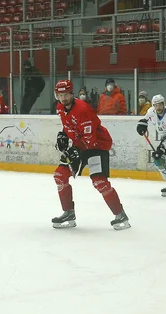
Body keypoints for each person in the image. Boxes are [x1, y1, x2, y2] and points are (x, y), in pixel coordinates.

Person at [52, 79, 129, 230]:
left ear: (72, 93)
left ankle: (120, 215)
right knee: (60, 176)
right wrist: (63, 135)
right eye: (60, 95)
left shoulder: (82, 109)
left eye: (66, 94)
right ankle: (68, 213)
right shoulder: (60, 107)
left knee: (99, 181)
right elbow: (69, 125)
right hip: (81, 145)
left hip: (97, 146)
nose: (63, 98)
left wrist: (75, 150)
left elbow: (89, 137)